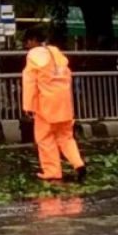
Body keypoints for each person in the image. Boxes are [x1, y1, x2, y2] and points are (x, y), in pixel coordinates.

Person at [21, 27, 86, 183]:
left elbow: (29, 82)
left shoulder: (34, 55)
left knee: (45, 139)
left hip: (46, 104)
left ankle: (52, 172)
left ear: (32, 40)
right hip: (64, 103)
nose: (26, 45)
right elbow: (67, 75)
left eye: (27, 42)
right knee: (66, 137)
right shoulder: (56, 53)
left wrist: (28, 107)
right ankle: (79, 164)